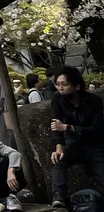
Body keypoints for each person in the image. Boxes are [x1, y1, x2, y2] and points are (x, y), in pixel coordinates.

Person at [50, 65, 104, 209]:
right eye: (58, 84)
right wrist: (59, 147)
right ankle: (58, 197)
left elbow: (95, 129)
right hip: (73, 144)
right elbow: (56, 123)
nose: (60, 88)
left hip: (94, 144)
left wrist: (68, 127)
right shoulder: (57, 99)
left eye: (65, 84)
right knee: (58, 159)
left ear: (77, 86)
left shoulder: (94, 101)